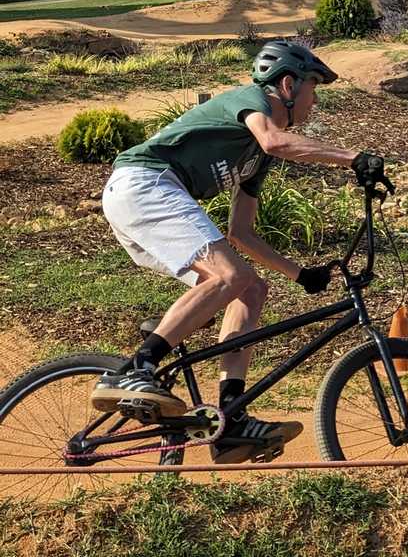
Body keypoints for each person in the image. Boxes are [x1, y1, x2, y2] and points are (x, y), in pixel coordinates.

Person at [90, 40, 388, 463]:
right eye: (313, 88)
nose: (315, 100)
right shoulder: (252, 103)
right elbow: (275, 141)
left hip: (148, 197)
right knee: (232, 277)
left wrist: (301, 275)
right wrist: (354, 158)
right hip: (145, 184)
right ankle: (138, 368)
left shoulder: (254, 159)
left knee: (249, 289)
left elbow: (241, 232)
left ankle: (231, 418)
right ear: (287, 84)